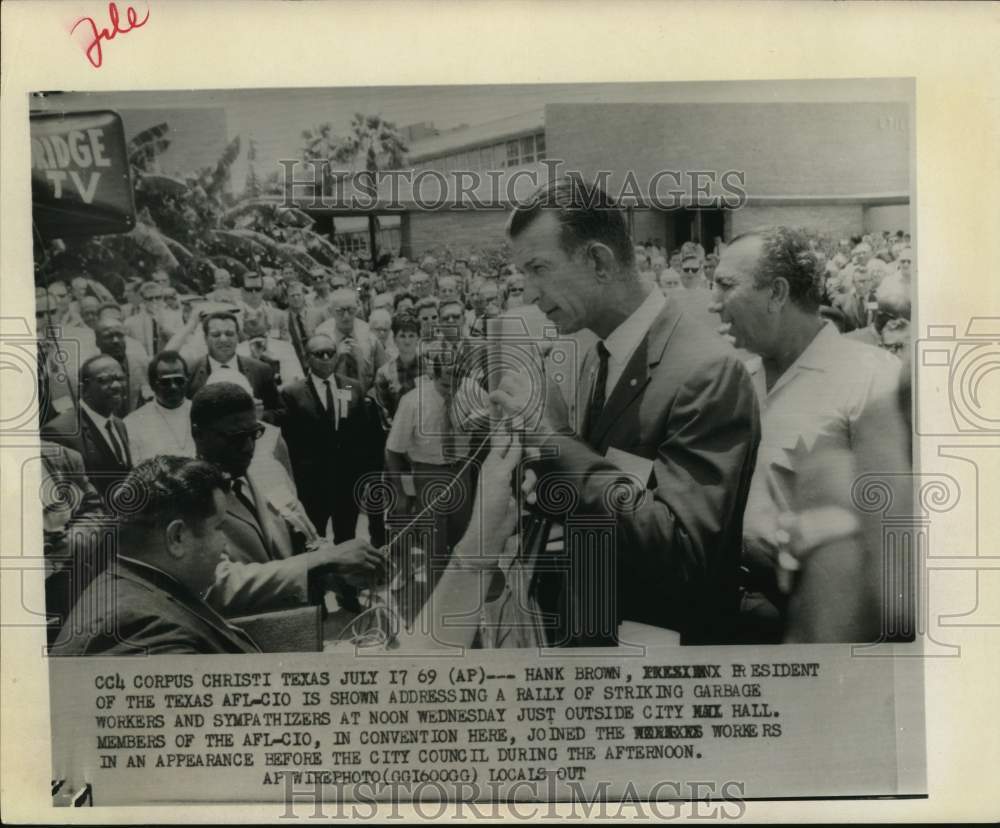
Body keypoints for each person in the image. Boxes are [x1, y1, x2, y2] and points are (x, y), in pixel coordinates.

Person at [492, 177, 761, 645]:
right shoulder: (598, 356)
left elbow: (682, 551)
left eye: (539, 269)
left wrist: (551, 440)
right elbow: (601, 491)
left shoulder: (705, 370)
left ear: (598, 260)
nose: (529, 293)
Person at [710, 226, 901, 641]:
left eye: (725, 286)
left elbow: (900, 528)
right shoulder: (737, 377)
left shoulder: (871, 377)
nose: (713, 304)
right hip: (724, 611)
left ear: (777, 293)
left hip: (812, 622)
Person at [191, 383, 384, 616]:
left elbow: (306, 540)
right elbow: (216, 586)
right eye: (235, 438)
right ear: (198, 434)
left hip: (300, 630)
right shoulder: (188, 498)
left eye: (254, 434)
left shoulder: (270, 472)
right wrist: (324, 561)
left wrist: (347, 572)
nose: (248, 447)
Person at [51, 457, 262, 656]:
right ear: (177, 538)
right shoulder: (143, 626)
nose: (224, 543)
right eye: (219, 528)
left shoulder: (137, 589)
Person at [280, 334, 384, 544]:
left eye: (330, 353)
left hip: (346, 480)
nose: (326, 358)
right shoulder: (294, 393)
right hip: (312, 483)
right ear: (307, 358)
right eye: (319, 354)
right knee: (312, 538)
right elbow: (290, 441)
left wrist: (365, 474)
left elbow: (362, 432)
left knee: (346, 536)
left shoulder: (349, 387)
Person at [42, 354, 134, 499]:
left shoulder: (119, 424)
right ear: (83, 388)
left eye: (120, 378)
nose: (116, 386)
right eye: (104, 380)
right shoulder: (61, 431)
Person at [185, 311, 285, 424]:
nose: (223, 339)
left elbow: (280, 412)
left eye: (229, 334)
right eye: (216, 335)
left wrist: (260, 417)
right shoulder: (190, 372)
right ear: (205, 338)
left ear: (238, 336)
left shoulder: (261, 370)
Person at [125, 350, 196, 462]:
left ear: (187, 380)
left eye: (179, 380)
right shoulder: (133, 423)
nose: (173, 387)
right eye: (165, 382)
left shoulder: (201, 412)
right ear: (152, 385)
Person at [315, 288, 387, 392]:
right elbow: (316, 376)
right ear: (330, 311)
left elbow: (383, 372)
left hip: (365, 397)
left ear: (357, 308)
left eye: (351, 310)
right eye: (340, 311)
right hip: (334, 398)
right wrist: (335, 358)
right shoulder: (321, 336)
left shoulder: (369, 333)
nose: (346, 316)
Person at [91, 315, 150, 415]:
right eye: (108, 336)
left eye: (119, 335)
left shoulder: (142, 365)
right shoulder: (91, 371)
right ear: (97, 342)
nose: (116, 341)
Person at [373, 312, 422, 419]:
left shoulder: (431, 369)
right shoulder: (384, 373)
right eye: (402, 336)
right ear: (395, 339)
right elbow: (384, 412)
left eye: (411, 336)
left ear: (418, 338)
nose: (407, 341)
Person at [124, 282, 169, 356]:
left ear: (162, 298)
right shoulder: (130, 323)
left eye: (158, 298)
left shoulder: (174, 317)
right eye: (150, 299)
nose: (154, 301)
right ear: (143, 300)